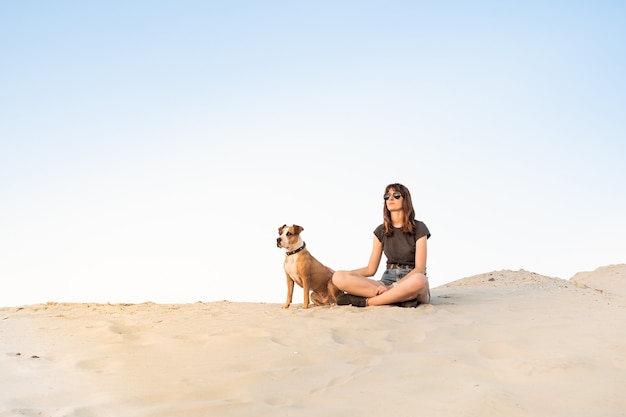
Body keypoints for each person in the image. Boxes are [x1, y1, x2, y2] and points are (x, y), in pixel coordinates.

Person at [332, 183, 431, 308]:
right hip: (386, 280)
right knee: (338, 277)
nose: (390, 198)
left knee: (419, 280)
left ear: (405, 200)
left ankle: (367, 302)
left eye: (396, 195)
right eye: (387, 196)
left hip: (410, 280)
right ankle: (399, 299)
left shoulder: (419, 228)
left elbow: (420, 269)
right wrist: (341, 274)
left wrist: (391, 287)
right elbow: (370, 270)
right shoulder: (381, 231)